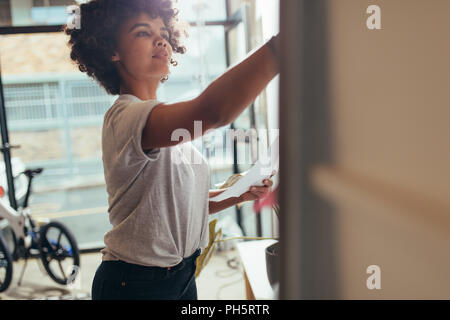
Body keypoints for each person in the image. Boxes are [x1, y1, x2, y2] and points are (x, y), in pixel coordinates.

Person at [64, 0, 279, 300]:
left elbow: (184, 207)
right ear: (112, 50)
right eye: (142, 32)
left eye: (163, 31)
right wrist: (282, 48)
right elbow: (213, 111)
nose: (160, 39)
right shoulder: (125, 116)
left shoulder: (162, 127)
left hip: (180, 275)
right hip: (135, 283)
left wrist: (238, 193)